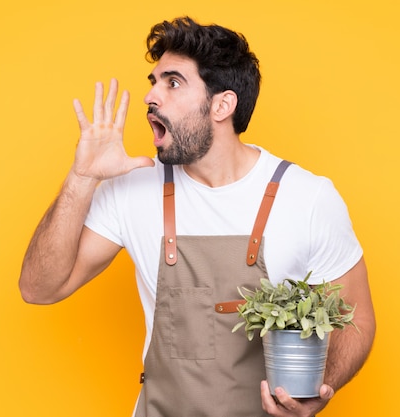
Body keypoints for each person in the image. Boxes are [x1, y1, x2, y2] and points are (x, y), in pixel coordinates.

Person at [19, 16, 376, 417]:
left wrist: (315, 391)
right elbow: (39, 288)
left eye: (172, 83)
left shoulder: (307, 197)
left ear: (222, 104)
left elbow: (356, 317)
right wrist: (81, 178)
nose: (150, 97)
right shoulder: (131, 191)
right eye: (153, 82)